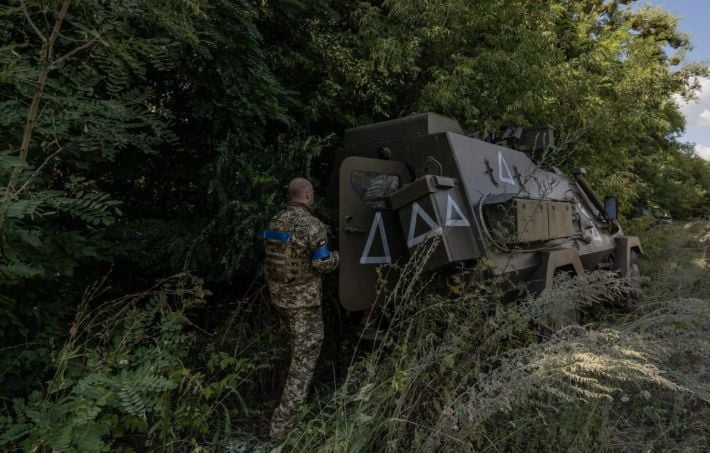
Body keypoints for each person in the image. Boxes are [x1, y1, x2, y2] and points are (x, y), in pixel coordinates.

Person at [261, 177, 339, 440]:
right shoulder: (312, 226)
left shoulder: (275, 221)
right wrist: (339, 256)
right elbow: (322, 264)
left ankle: (277, 403)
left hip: (279, 300)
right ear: (307, 194)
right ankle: (281, 429)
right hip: (303, 304)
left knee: (292, 353)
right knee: (302, 365)